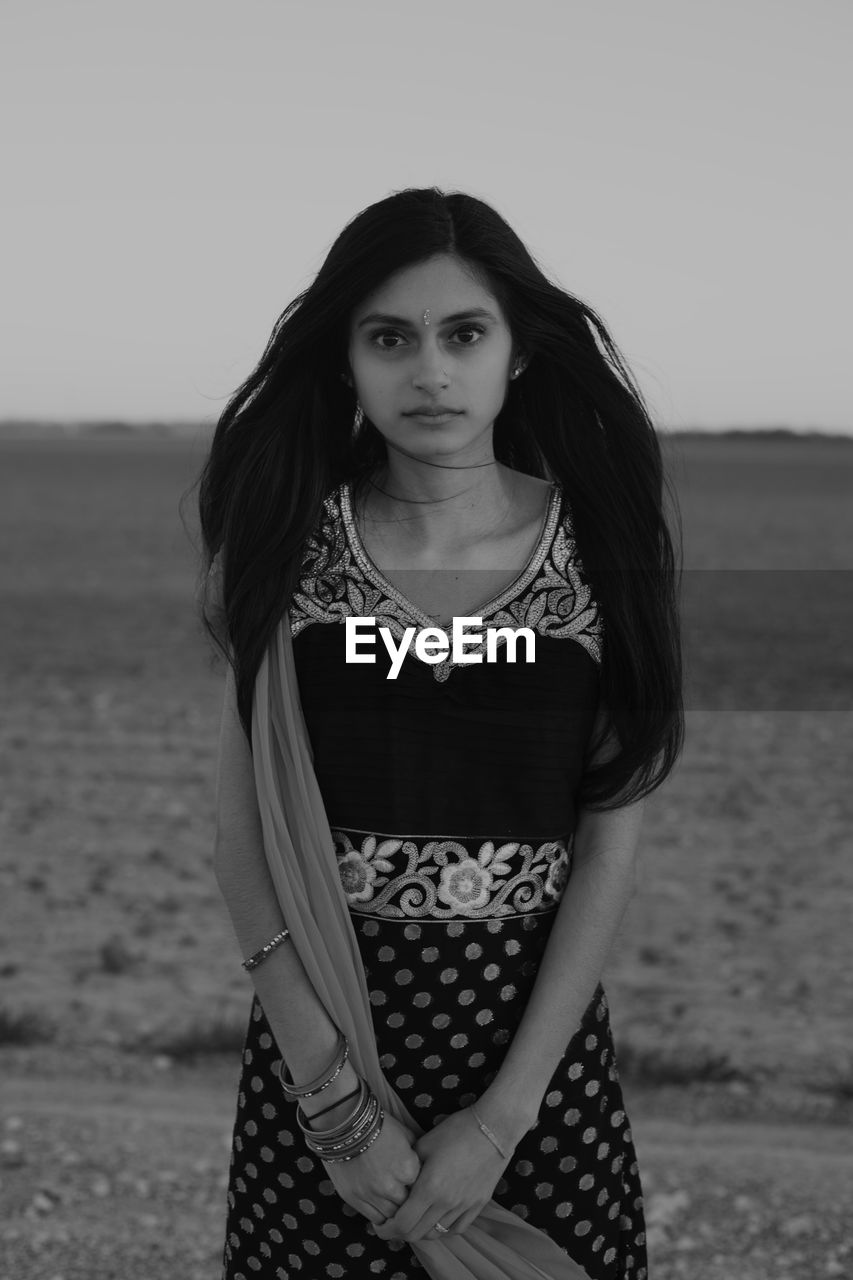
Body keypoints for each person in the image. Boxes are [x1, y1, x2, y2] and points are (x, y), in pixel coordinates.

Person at [197, 186, 684, 1280]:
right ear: (345, 362)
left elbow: (608, 837)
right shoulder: (281, 554)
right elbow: (242, 839)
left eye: (464, 334)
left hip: (532, 1068)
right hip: (323, 1054)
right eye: (389, 338)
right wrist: (334, 1108)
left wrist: (502, 1119)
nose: (429, 371)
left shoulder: (600, 553)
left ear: (516, 355)